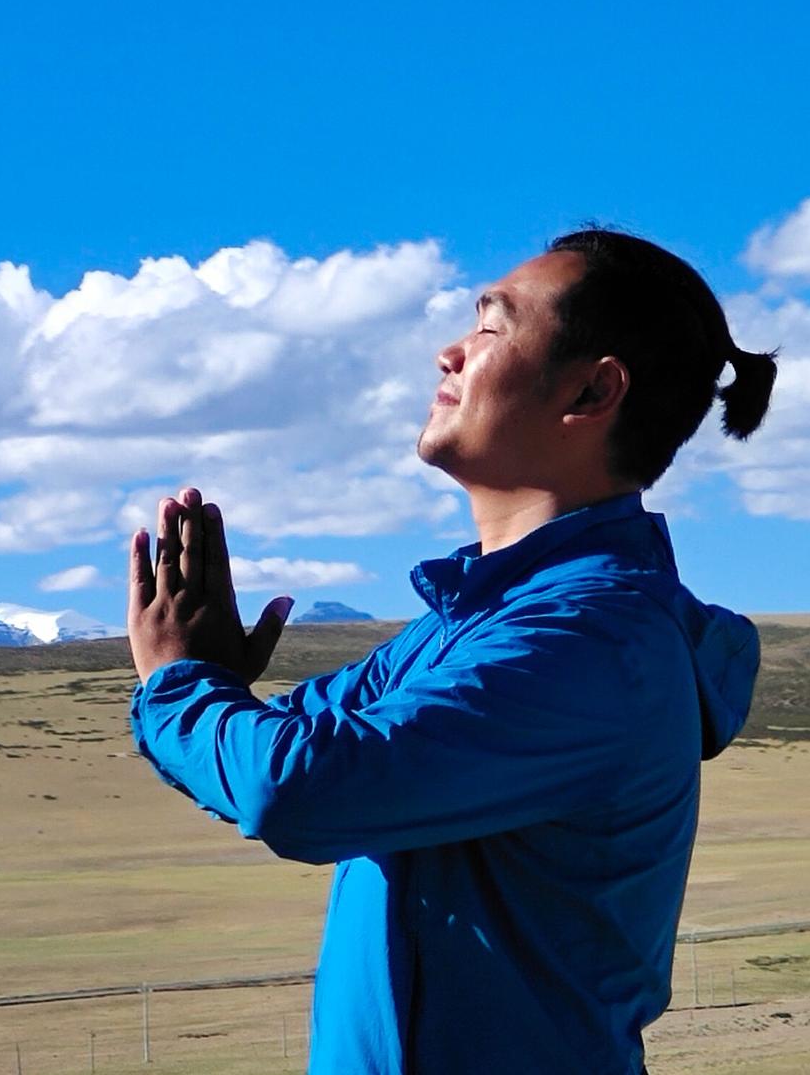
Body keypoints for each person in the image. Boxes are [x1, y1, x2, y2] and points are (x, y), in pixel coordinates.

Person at [125, 228, 777, 1074]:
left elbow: (292, 787)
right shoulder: (470, 628)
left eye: (491, 328)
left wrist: (180, 684)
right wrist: (207, 682)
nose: (449, 352)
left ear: (591, 390)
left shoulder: (589, 646)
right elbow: (294, 745)